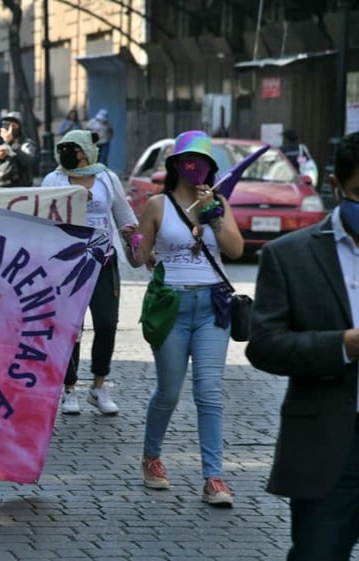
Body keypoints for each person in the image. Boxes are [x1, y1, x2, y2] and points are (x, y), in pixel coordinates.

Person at [246, 131, 359, 559]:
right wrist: (344, 345)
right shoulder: (289, 257)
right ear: (336, 188)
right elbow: (266, 346)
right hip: (330, 449)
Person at [125, 130, 243, 507]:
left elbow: (236, 250)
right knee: (169, 392)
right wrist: (132, 241)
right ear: (175, 165)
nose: (194, 167)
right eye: (187, 160)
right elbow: (136, 259)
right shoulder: (158, 205)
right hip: (171, 306)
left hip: (213, 307)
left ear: (210, 168)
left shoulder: (219, 201)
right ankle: (151, 457)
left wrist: (216, 218)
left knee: (209, 393)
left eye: (201, 161)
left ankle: (213, 478)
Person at [41, 130, 138, 415]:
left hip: (103, 260)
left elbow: (124, 215)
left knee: (107, 323)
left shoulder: (107, 178)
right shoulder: (53, 179)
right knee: (70, 326)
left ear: (87, 151)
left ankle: (98, 385)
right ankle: (69, 388)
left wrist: (138, 245)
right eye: (64, 148)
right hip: (68, 263)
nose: (70, 153)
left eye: (75, 148)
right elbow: (41, 216)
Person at [0, 111, 37, 187]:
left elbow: (28, 160)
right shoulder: (0, 145)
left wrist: (13, 147)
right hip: (0, 188)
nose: (10, 129)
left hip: (20, 189)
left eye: (14, 126)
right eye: (7, 125)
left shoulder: (27, 144)